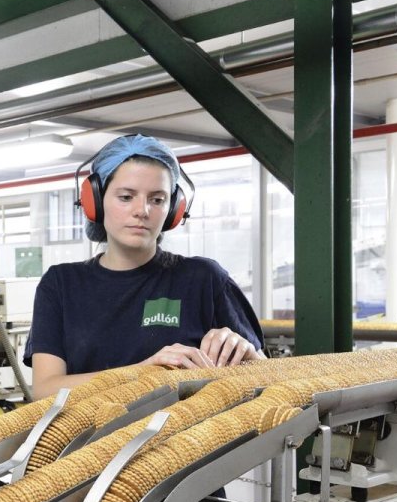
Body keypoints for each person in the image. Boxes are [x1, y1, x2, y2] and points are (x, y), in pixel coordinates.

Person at [25, 134, 264, 399]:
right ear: (95, 201)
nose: (143, 211)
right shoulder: (61, 284)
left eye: (157, 199)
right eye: (126, 197)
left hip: (188, 438)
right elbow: (45, 390)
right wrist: (142, 373)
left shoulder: (204, 279)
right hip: (89, 439)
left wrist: (249, 355)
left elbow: (271, 378)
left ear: (174, 209)